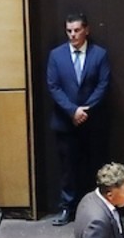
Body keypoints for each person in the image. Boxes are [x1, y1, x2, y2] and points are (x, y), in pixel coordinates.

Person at [47, 12, 111, 226]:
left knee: (95, 165)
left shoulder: (99, 54)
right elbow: (53, 87)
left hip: (93, 122)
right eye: (69, 31)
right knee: (68, 168)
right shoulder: (56, 55)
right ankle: (68, 208)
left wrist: (86, 110)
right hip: (66, 122)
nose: (73, 35)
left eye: (76, 30)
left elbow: (103, 85)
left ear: (86, 30)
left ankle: (99, 209)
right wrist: (72, 111)